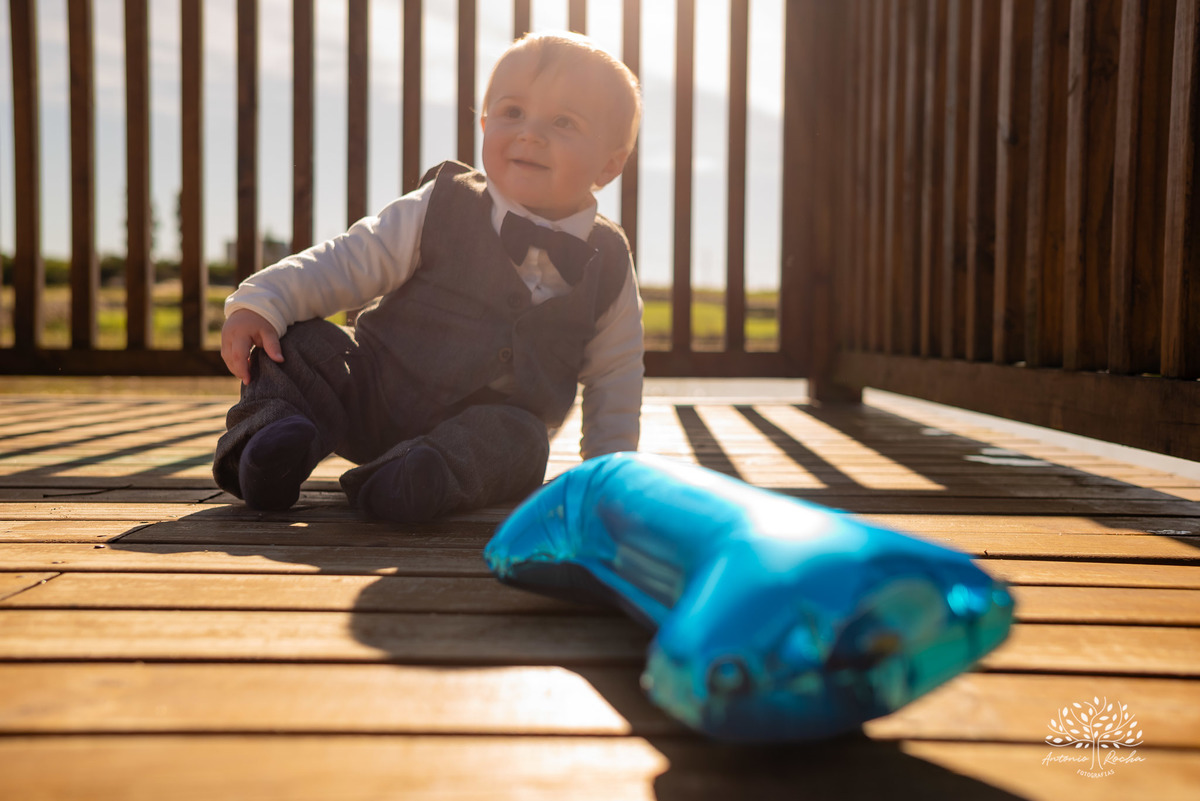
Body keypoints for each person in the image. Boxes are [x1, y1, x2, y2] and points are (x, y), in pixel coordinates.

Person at [212, 31, 644, 523]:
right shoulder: (441, 204)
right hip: (371, 389)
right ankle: (269, 445)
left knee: (524, 442)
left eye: (563, 121)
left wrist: (609, 477)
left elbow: (616, 376)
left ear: (610, 164)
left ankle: (417, 479)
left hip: (475, 431)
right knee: (300, 343)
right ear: (485, 124)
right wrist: (264, 298)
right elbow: (349, 259)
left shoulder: (609, 260)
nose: (530, 134)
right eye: (513, 112)